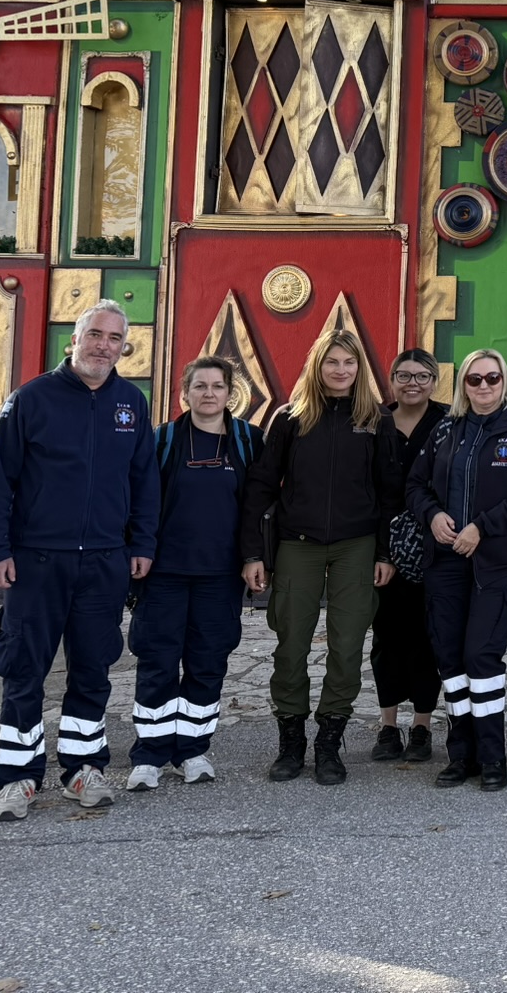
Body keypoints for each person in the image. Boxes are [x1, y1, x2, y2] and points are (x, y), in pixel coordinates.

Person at [0, 299, 158, 820]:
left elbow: (144, 480)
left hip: (104, 561)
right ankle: (17, 777)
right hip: (36, 562)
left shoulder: (131, 403)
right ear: (74, 340)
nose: (104, 345)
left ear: (124, 347)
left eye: (114, 338)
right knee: (24, 668)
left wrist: (142, 544)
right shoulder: (31, 399)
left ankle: (84, 768)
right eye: (95, 335)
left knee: (93, 668)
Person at [240, 328, 398, 787]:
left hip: (357, 545)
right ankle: (291, 741)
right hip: (298, 545)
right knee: (290, 645)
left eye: (349, 362)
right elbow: (263, 487)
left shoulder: (376, 420)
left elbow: (390, 493)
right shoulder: (291, 418)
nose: (341, 370)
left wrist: (385, 552)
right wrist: (254, 553)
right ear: (317, 365)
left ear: (359, 368)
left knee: (347, 647)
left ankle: (329, 740)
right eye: (332, 361)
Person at [404, 349, 507, 791]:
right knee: (450, 658)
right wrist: (431, 515)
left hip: (495, 563)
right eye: (474, 379)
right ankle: (460, 755)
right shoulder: (447, 429)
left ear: (504, 382)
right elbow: (415, 483)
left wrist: (481, 528)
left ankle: (492, 758)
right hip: (445, 562)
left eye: (491, 378)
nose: (483, 387)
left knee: (481, 657)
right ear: (463, 384)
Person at [125, 357, 261, 791]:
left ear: (229, 393)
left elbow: (259, 507)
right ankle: (150, 754)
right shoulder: (162, 440)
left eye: (217, 386)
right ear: (184, 393)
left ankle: (194, 750)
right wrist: (139, 552)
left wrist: (255, 556)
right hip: (163, 573)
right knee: (157, 662)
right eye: (199, 386)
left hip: (220, 576)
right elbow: (139, 500)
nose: (208, 394)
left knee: (207, 664)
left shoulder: (247, 442)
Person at [371, 349, 445, 763]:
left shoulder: (449, 422)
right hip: (382, 549)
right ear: (392, 379)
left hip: (433, 545)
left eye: (421, 376)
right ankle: (387, 725)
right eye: (403, 375)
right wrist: (381, 548)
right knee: (386, 638)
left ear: (434, 380)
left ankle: (421, 726)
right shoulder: (374, 422)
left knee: (426, 638)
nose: (412, 383)